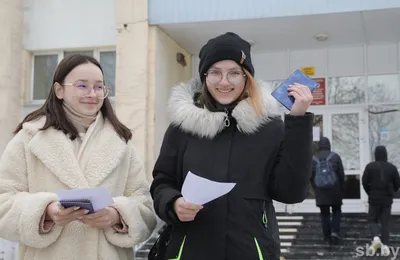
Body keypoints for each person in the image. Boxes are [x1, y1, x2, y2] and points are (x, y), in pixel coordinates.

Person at [150, 32, 314, 260]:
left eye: (234, 73)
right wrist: (174, 203)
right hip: (189, 252)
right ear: (205, 77)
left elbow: (291, 192)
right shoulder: (183, 128)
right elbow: (162, 182)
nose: (224, 82)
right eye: (215, 73)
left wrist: (298, 121)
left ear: (247, 78)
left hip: (251, 252)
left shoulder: (269, 127)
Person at [0, 54, 156, 260]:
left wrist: (117, 216)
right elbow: (3, 203)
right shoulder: (29, 139)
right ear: (59, 90)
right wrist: (46, 211)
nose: (92, 93)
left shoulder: (121, 142)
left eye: (99, 87)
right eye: (82, 86)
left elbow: (144, 205)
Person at [362, 146, 400, 256]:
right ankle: (386, 246)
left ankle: (376, 238)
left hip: (374, 198)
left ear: (375, 155)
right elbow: (398, 183)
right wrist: (392, 192)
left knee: (372, 219)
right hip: (387, 199)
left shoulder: (370, 167)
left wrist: (369, 192)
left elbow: (364, 182)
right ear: (385, 154)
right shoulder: (392, 168)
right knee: (385, 222)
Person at [310, 137, 345, 245]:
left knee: (324, 214)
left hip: (321, 191)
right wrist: (341, 188)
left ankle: (326, 237)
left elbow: (311, 176)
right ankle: (335, 232)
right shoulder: (335, 157)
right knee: (336, 211)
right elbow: (341, 175)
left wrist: (316, 188)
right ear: (329, 145)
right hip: (335, 190)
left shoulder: (313, 159)